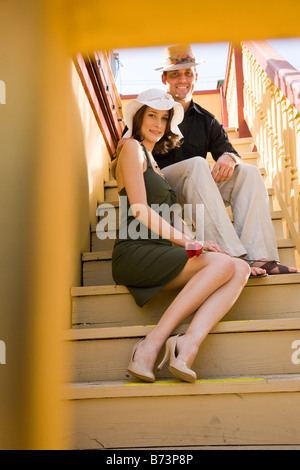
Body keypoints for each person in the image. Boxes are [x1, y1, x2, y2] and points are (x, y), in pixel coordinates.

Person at [111, 88, 251, 383]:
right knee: (224, 265)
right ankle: (152, 343)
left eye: (164, 119)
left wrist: (203, 245)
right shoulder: (131, 148)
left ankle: (187, 343)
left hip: (162, 250)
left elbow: (173, 218)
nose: (158, 124)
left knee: (239, 267)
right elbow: (138, 209)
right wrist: (191, 243)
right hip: (136, 251)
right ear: (138, 118)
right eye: (152, 115)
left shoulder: (154, 163)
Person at [152, 43, 299, 276]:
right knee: (199, 164)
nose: (183, 78)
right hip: (161, 189)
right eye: (175, 74)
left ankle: (259, 257)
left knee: (248, 173)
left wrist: (230, 158)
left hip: (197, 192)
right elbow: (130, 148)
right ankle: (231, 256)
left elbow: (226, 149)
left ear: (195, 76)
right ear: (165, 79)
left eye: (188, 72)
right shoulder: (152, 110)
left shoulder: (205, 119)